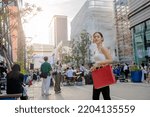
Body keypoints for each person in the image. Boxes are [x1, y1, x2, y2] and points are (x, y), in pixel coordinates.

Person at [90, 32, 113, 100]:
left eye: (98, 36)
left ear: (102, 39)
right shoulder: (96, 50)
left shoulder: (103, 48)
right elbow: (98, 62)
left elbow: (110, 60)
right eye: (94, 37)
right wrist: (94, 67)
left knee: (105, 97)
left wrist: (98, 63)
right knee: (96, 97)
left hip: (103, 75)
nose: (96, 38)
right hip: (97, 74)